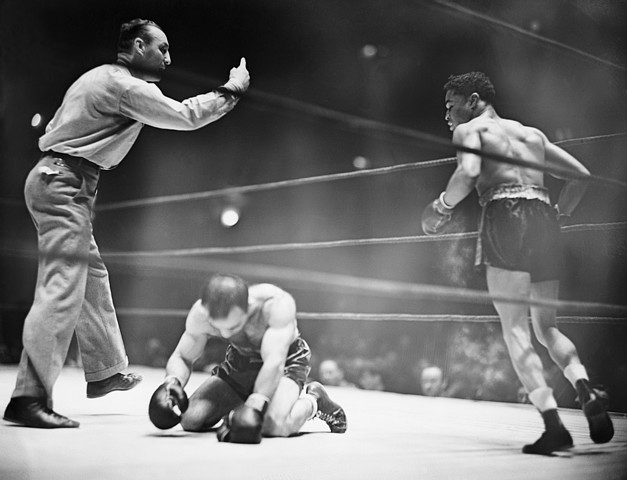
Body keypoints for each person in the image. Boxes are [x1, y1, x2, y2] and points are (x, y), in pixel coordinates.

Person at [3, 19, 250, 429]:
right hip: (65, 183)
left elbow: (56, 129)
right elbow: (185, 116)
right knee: (62, 288)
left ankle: (104, 371)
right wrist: (232, 91)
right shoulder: (125, 86)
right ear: (138, 46)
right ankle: (29, 396)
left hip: (61, 179)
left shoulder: (96, 77)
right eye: (162, 49)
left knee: (90, 276)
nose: (168, 59)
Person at [421, 72, 613, 455]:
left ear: (472, 100)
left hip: (505, 216)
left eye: (450, 105)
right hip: (543, 215)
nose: (446, 115)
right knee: (547, 327)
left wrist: (440, 207)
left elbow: (470, 172)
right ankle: (584, 386)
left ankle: (553, 424)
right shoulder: (532, 135)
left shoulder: (470, 130)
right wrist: (561, 213)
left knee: (514, 329)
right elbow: (581, 175)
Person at [148, 274, 347, 443]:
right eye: (218, 327)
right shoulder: (200, 313)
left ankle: (314, 401)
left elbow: (273, 364)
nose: (225, 334)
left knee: (273, 426)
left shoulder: (273, 306)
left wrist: (255, 403)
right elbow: (182, 355)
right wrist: (172, 382)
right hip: (240, 361)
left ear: (247, 308)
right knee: (190, 420)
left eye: (234, 327)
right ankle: (240, 403)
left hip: (285, 361)